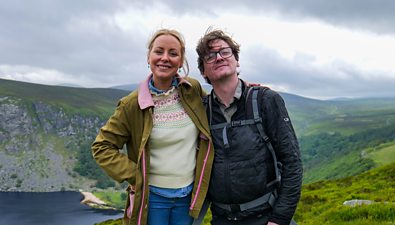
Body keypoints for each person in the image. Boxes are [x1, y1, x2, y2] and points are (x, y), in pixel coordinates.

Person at [92, 28, 214, 225]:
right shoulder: (131, 104)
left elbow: (219, 106)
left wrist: (240, 87)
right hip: (152, 198)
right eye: (159, 51)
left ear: (181, 61)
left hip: (188, 196)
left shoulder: (192, 90)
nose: (165, 58)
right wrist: (135, 176)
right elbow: (102, 147)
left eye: (173, 53)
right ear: (149, 57)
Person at [195, 28, 303, 225]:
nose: (219, 58)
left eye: (225, 52)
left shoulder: (265, 100)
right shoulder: (201, 111)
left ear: (237, 61)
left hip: (266, 216)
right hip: (221, 219)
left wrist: (280, 218)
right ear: (203, 71)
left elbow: (292, 161)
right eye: (210, 56)